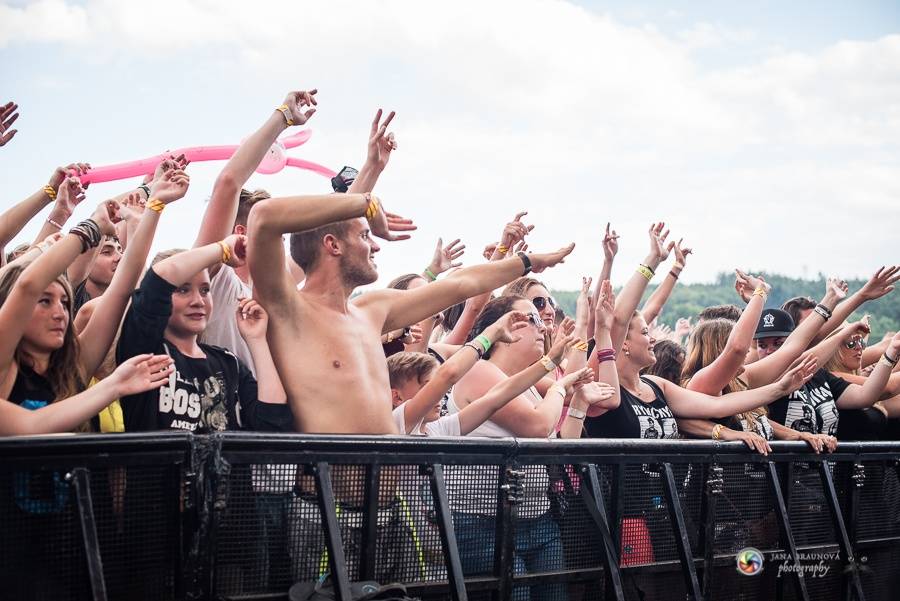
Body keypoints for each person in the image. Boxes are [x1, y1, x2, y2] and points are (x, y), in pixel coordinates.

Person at [116, 235, 288, 433]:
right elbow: (159, 279)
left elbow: (273, 423)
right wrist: (222, 249)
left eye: (205, 290)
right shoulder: (145, 351)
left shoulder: (228, 362)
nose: (198, 301)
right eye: (182, 290)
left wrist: (257, 340)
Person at [0, 354, 172, 435]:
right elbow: (31, 425)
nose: (60, 312)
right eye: (44, 301)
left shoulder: (67, 373)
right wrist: (115, 385)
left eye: (65, 304)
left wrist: (116, 384)